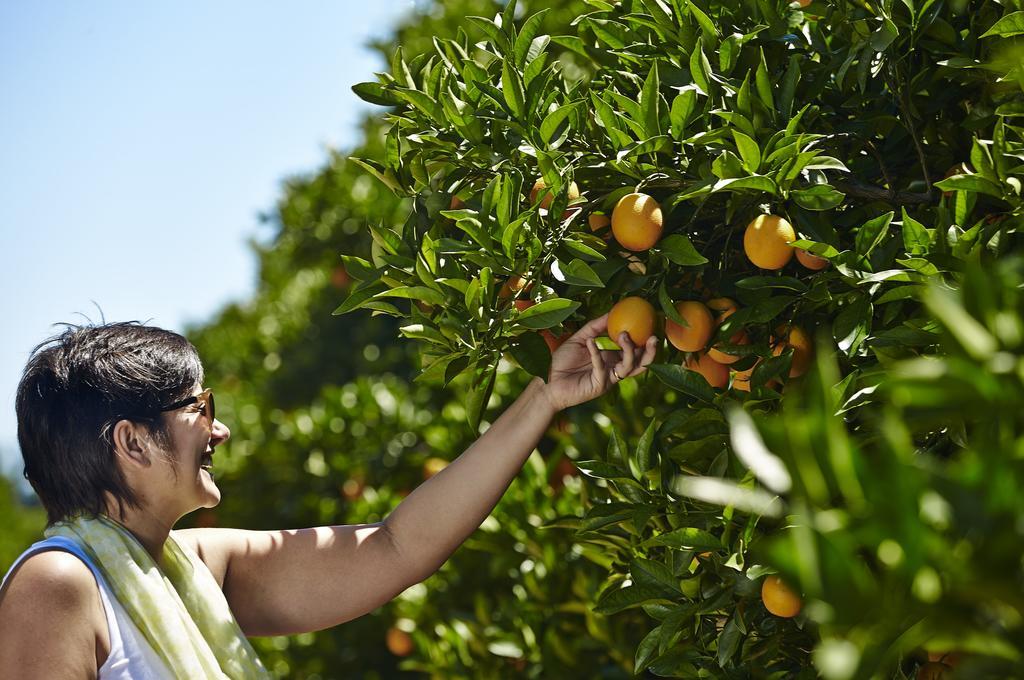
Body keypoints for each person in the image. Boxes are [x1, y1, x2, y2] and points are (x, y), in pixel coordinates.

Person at [0, 314, 657, 678]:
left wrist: (545, 397)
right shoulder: (57, 584)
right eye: (201, 406)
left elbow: (396, 547)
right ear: (132, 443)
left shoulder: (195, 566)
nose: (219, 428)